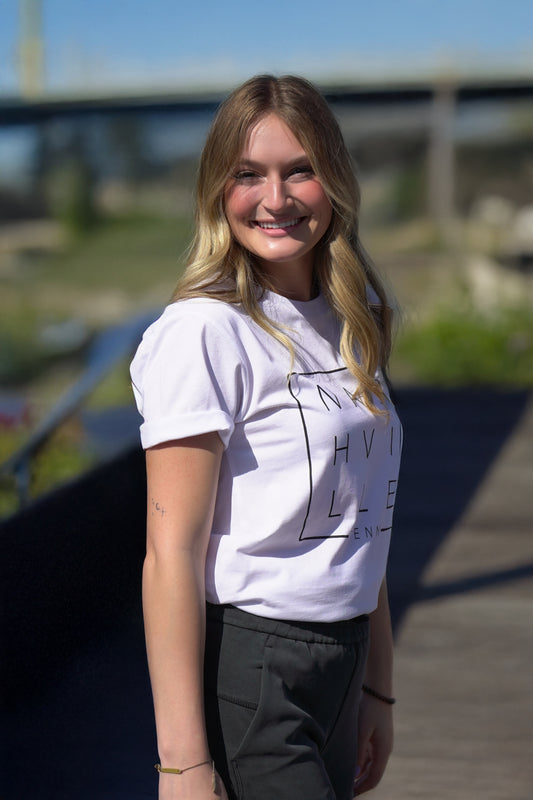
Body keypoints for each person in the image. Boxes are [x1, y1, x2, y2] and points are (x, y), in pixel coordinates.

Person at [130, 74, 402, 800]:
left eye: (299, 170)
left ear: (334, 180)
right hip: (256, 668)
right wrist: (181, 765)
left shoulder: (355, 315)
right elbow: (169, 555)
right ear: (217, 191)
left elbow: (363, 517)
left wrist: (377, 686)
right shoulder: (203, 332)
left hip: (343, 658)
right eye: (247, 174)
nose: (274, 199)